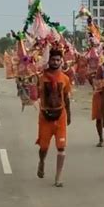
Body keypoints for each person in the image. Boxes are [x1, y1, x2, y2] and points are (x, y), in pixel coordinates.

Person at [36, 49, 72, 187]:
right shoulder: (40, 77)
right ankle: (42, 162)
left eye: (58, 60)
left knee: (61, 148)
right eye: (53, 59)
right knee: (44, 147)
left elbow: (67, 98)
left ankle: (58, 177)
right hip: (45, 117)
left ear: (61, 61)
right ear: (48, 60)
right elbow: (34, 93)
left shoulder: (65, 78)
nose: (55, 62)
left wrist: (68, 114)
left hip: (60, 116)